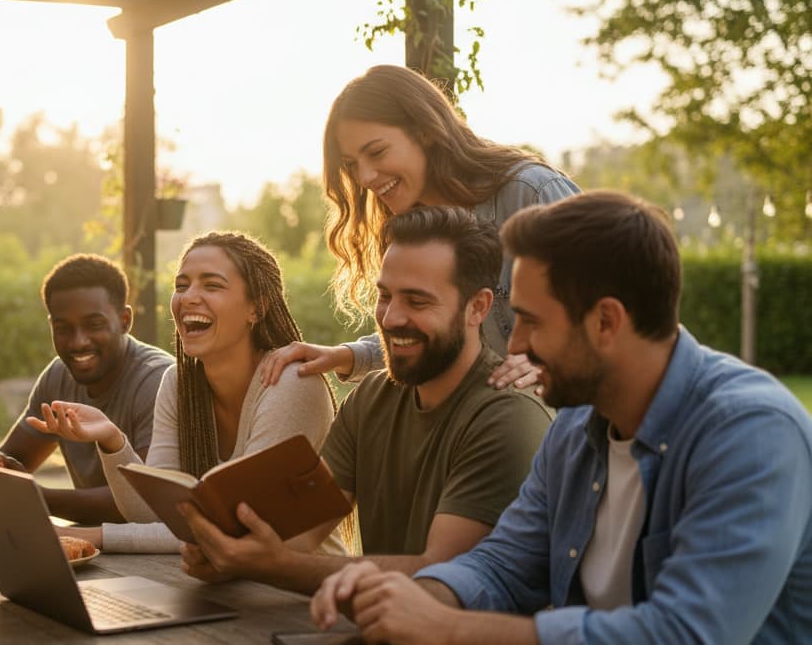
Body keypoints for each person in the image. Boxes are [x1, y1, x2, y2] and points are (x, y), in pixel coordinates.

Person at [311, 191, 812, 645]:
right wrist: (410, 597)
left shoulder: (750, 434)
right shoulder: (576, 430)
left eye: (529, 321)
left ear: (605, 322)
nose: (516, 344)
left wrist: (449, 629)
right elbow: (503, 566)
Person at [179, 207, 552, 592]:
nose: (391, 318)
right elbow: (299, 534)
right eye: (385, 296)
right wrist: (229, 554)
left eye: (417, 302)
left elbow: (439, 573)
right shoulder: (371, 399)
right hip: (378, 632)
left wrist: (270, 565)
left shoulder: (507, 418)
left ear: (478, 308)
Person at [260, 64, 579, 390]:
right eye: (352, 165)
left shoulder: (530, 191)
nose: (366, 177)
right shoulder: (410, 225)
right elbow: (432, 329)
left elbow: (620, 298)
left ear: (425, 131)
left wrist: (549, 355)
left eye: (377, 152)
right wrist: (346, 356)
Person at [29, 232, 346, 554]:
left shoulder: (292, 382)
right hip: (217, 585)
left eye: (212, 285)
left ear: (257, 307)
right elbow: (152, 514)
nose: (189, 298)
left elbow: (234, 531)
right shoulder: (179, 383)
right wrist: (112, 440)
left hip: (304, 593)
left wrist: (93, 536)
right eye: (182, 286)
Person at [0, 253, 172, 524]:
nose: (78, 342)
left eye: (94, 325)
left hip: (152, 557)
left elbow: (144, 499)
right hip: (93, 546)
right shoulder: (58, 376)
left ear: (125, 320)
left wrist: (41, 498)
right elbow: (10, 462)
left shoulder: (157, 380)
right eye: (63, 328)